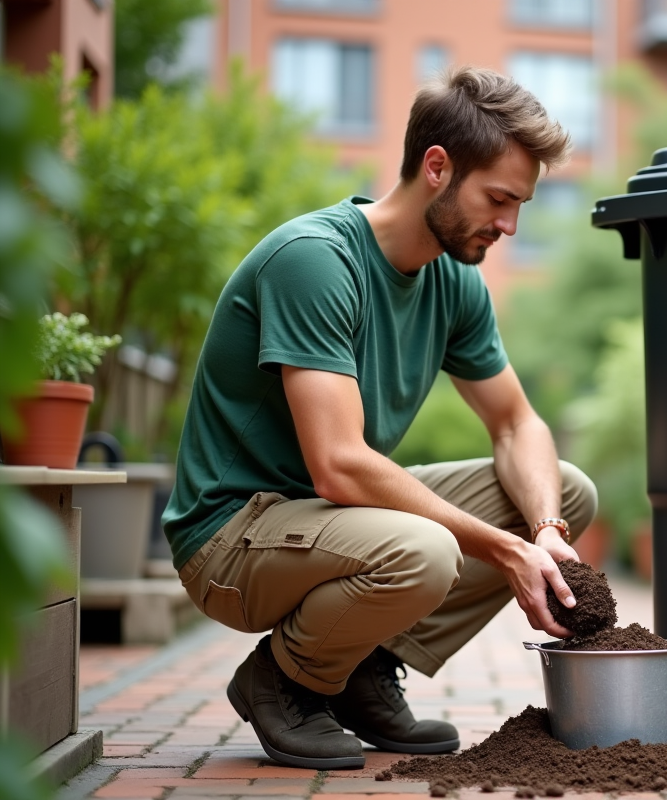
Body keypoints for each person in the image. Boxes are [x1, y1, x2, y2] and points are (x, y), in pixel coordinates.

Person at [162, 66, 598, 770]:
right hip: (232, 537)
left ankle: (360, 667)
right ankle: (284, 682)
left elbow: (519, 426)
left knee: (564, 488)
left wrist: (542, 530)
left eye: (519, 205)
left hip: (327, 522)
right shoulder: (316, 261)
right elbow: (338, 463)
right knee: (425, 552)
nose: (510, 226)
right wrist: (505, 550)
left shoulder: (455, 281)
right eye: (499, 199)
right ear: (436, 167)